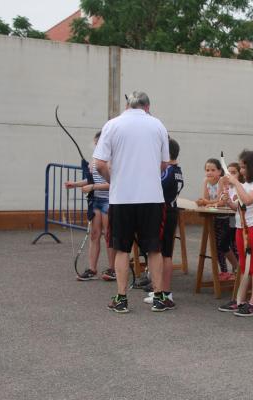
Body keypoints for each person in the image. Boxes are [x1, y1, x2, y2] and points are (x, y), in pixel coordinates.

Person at [93, 91, 169, 313]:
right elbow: (165, 164)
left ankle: (121, 298)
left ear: (127, 105)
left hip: (122, 197)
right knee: (154, 248)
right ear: (147, 106)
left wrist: (113, 180)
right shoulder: (158, 125)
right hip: (151, 197)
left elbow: (98, 164)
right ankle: (158, 298)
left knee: (121, 249)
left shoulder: (112, 125)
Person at [218, 150, 253, 316]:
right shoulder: (245, 185)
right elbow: (239, 207)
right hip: (241, 227)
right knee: (244, 265)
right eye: (240, 167)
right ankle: (240, 300)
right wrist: (227, 200)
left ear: (252, 167)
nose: (241, 171)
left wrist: (236, 183)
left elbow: (248, 200)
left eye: (243, 167)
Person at [64, 131, 115, 281]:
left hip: (108, 201)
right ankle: (92, 269)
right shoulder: (94, 161)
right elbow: (90, 179)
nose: (94, 146)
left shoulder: (111, 161)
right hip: (96, 202)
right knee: (94, 234)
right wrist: (74, 184)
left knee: (109, 236)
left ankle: (113, 269)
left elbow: (113, 184)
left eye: (96, 143)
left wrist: (93, 187)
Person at [143, 138, 184, 311]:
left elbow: (152, 186)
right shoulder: (177, 170)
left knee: (163, 253)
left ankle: (165, 292)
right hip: (170, 212)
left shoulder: (167, 171)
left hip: (165, 213)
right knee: (161, 252)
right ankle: (160, 290)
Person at [197, 158, 237, 280]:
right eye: (207, 170)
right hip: (214, 216)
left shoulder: (221, 181)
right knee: (216, 245)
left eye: (213, 170)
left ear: (220, 171)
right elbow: (206, 198)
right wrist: (203, 201)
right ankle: (224, 271)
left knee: (229, 244)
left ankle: (236, 269)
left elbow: (221, 201)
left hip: (226, 217)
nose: (209, 172)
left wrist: (206, 202)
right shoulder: (206, 181)